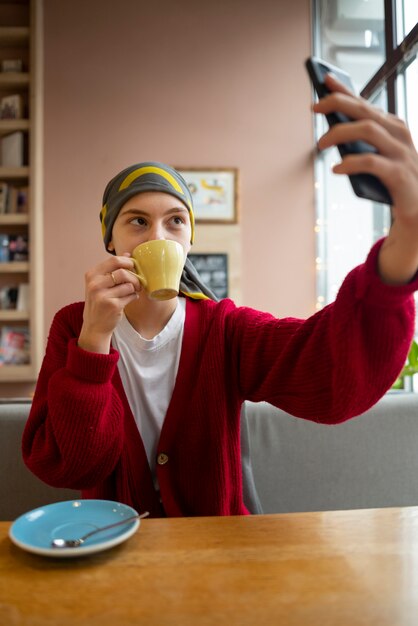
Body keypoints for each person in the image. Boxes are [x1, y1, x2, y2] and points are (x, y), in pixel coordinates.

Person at [23, 74, 418, 517]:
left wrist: (406, 243)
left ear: (190, 239)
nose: (160, 236)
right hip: (113, 550)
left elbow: (331, 378)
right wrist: (93, 342)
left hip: (220, 553)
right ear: (109, 239)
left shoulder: (225, 330)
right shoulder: (73, 326)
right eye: (137, 221)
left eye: (175, 221)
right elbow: (71, 466)